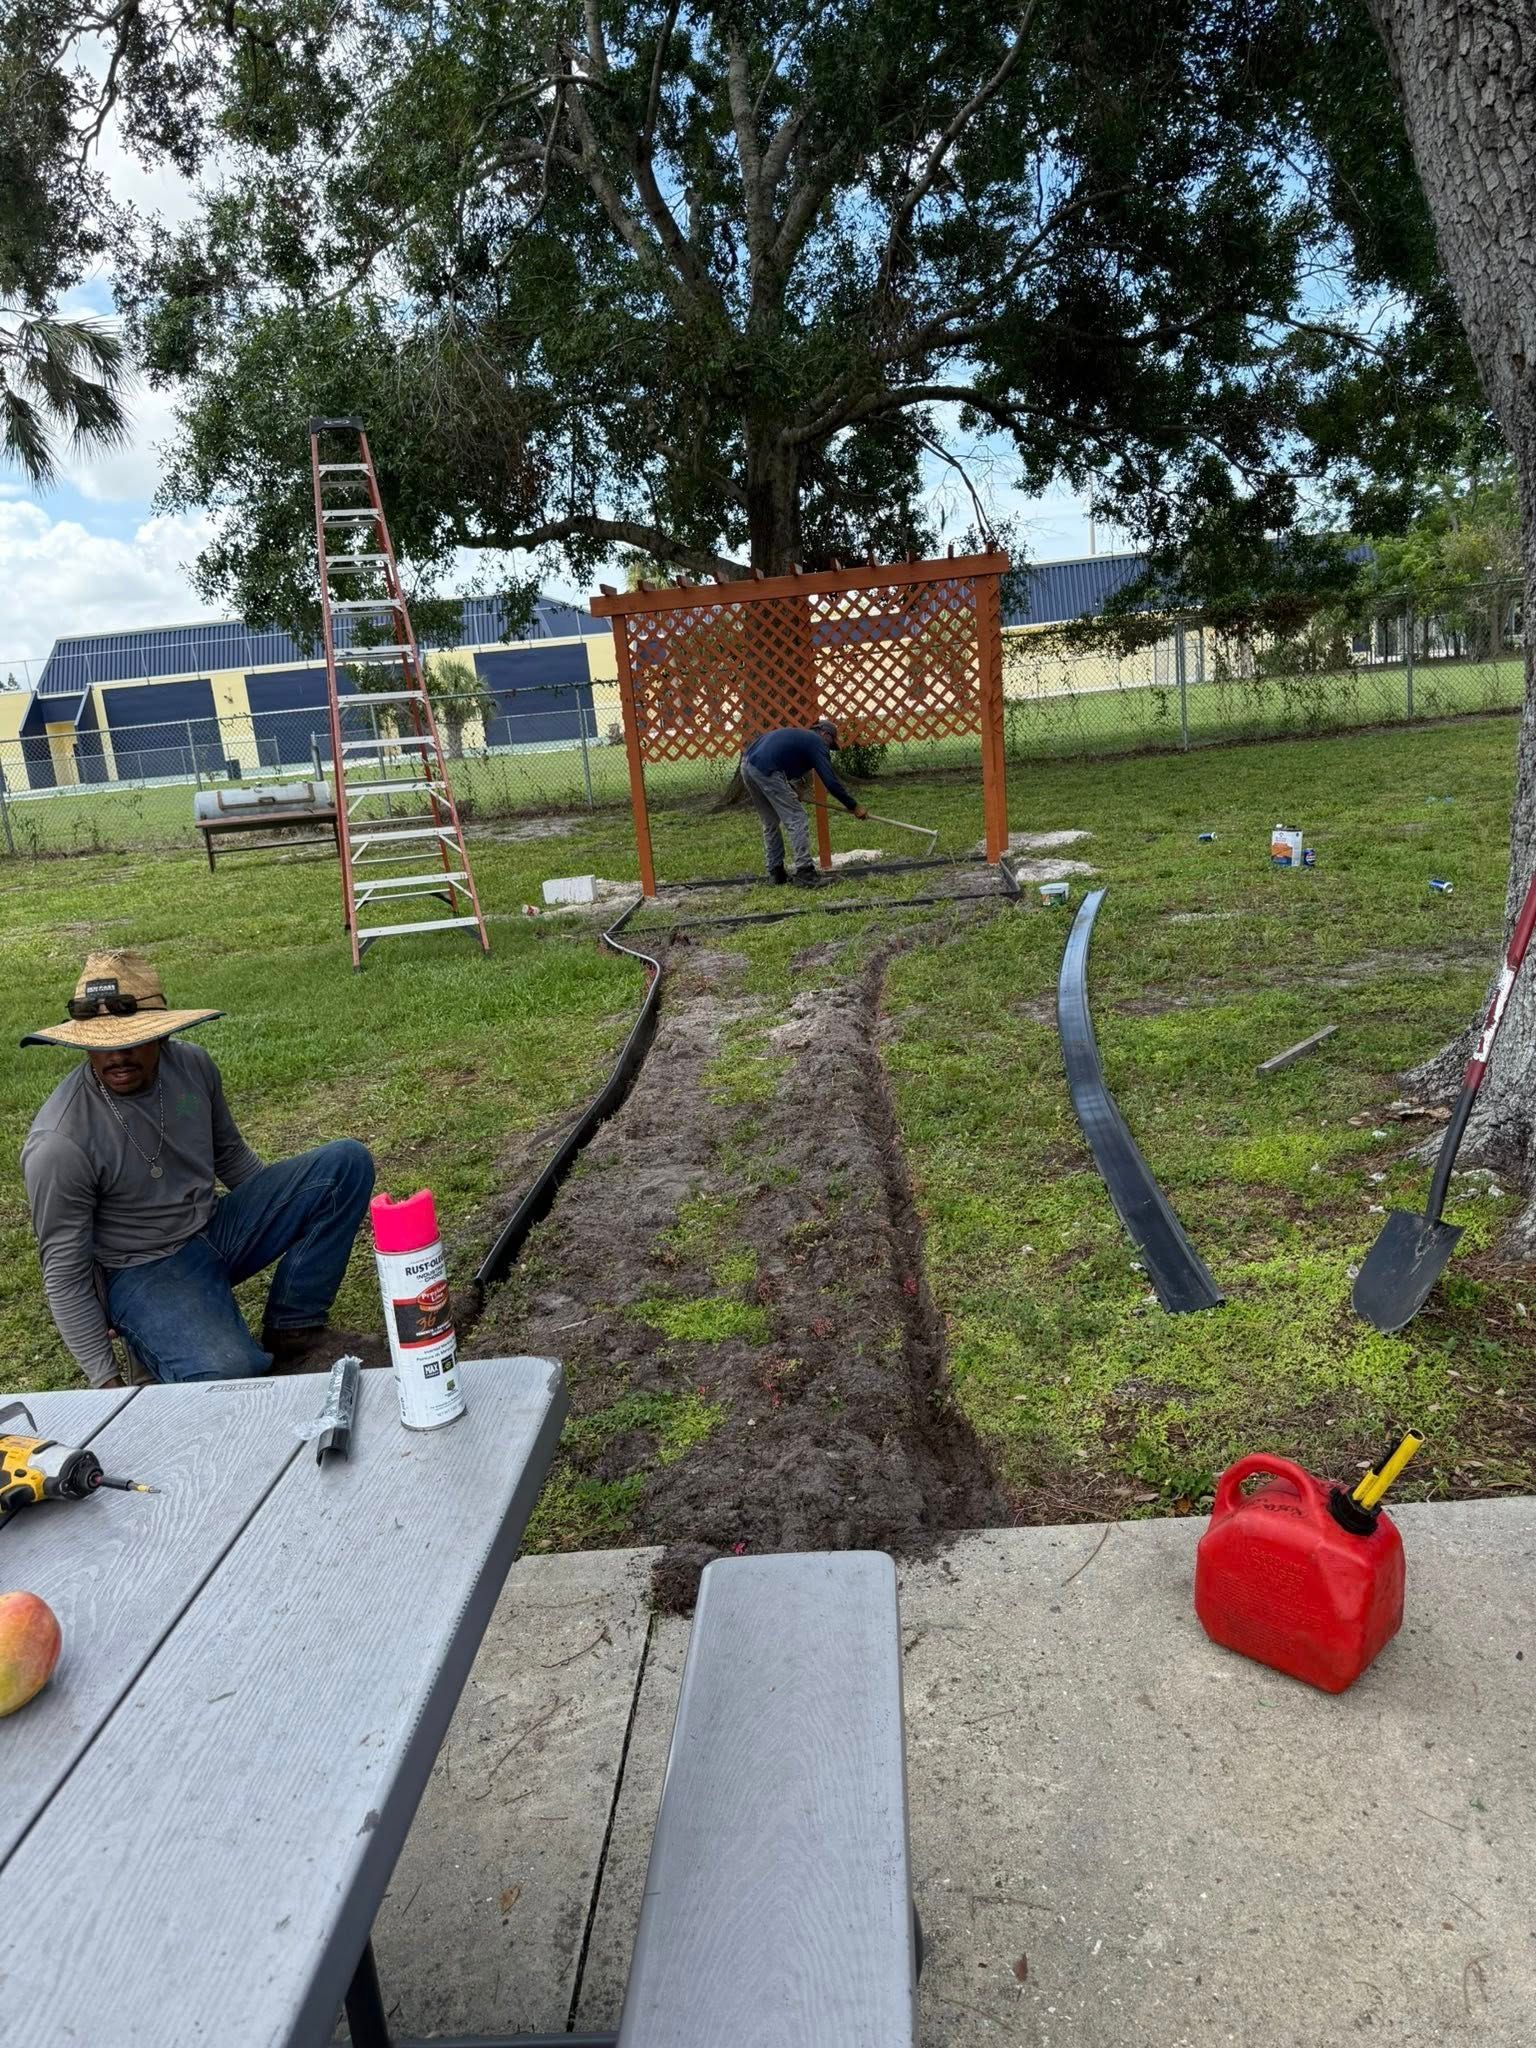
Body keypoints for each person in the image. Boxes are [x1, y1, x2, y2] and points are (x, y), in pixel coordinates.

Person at [20, 949, 375, 1388]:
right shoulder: (59, 1143)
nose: (117, 1056)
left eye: (133, 1040)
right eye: (101, 1044)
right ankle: (154, 1341)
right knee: (231, 1373)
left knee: (345, 1165)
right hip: (143, 1268)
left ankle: (294, 1329)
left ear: (162, 1036)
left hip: (214, 1228)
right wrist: (104, 1381)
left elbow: (230, 1155)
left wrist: (289, 1212)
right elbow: (64, 1273)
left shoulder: (192, 1067)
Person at [740, 717, 868, 885]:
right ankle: (805, 872)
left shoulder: (801, 738)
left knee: (770, 821)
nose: (829, 748)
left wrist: (792, 788)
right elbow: (830, 782)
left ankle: (776, 873)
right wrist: (854, 806)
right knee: (796, 817)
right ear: (825, 734)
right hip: (766, 768)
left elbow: (782, 758)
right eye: (830, 743)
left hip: (748, 765)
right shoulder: (817, 742)